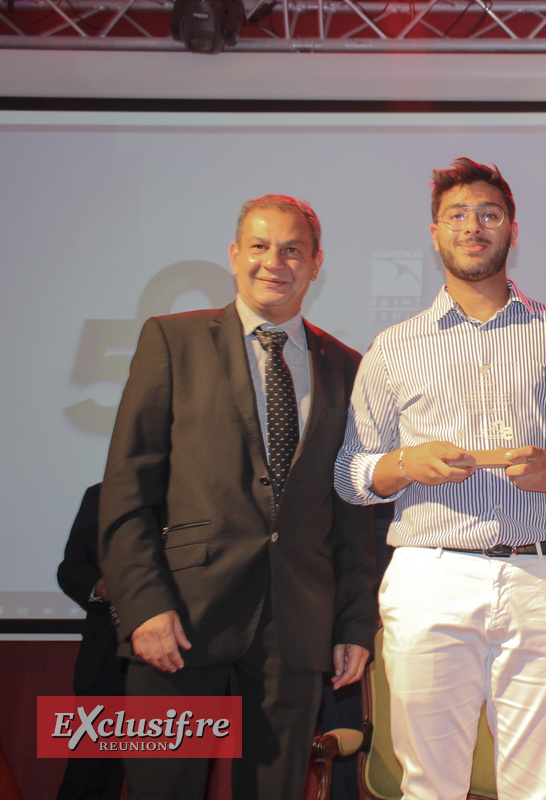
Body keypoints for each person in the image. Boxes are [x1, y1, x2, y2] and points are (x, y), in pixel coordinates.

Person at [334, 157, 546, 800]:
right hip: (429, 574)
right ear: (435, 233)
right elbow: (351, 473)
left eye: (489, 215)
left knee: (539, 785)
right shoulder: (394, 347)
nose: (474, 227)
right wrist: (406, 465)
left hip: (543, 575)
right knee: (430, 784)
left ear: (512, 231)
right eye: (458, 216)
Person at [98, 195, 377, 800]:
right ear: (233, 255)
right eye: (259, 246)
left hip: (296, 629)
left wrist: (356, 621)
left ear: (315, 263)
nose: (273, 262)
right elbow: (127, 489)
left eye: (291, 250)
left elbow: (355, 515)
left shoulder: (350, 368)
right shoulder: (172, 341)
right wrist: (143, 604)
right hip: (177, 622)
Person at [56, 482, 125, 800]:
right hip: (107, 661)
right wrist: (99, 586)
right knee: (88, 779)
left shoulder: (201, 495)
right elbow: (70, 569)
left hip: (179, 662)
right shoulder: (100, 495)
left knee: (170, 777)